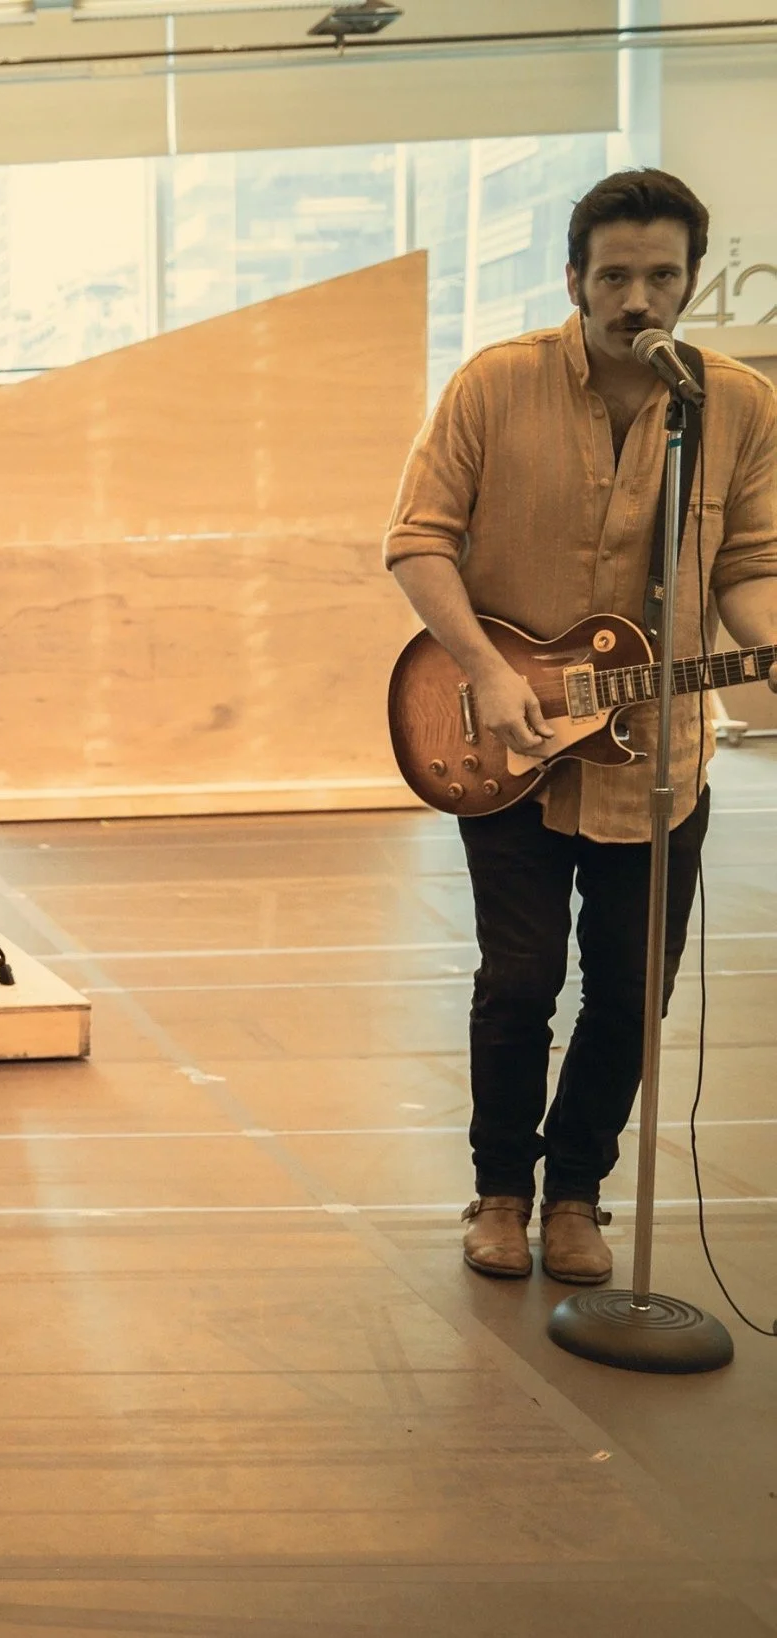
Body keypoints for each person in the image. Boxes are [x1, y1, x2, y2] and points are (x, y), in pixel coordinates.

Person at [385, 169, 777, 1284]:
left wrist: (766, 641)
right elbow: (415, 539)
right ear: (573, 278)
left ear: (689, 280)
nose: (635, 299)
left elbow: (747, 568)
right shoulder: (492, 385)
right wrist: (479, 669)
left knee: (628, 990)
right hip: (503, 744)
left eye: (659, 276)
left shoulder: (732, 405)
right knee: (518, 978)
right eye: (613, 276)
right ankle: (498, 1191)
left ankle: (577, 1198)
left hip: (657, 760)